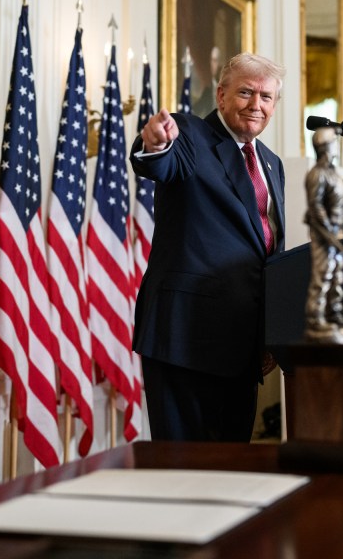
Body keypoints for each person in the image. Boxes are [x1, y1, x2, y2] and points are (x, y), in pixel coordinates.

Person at [130, 52, 287, 442]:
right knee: (184, 472)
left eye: (266, 97)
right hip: (186, 336)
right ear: (220, 95)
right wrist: (154, 143)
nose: (256, 105)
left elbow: (268, 252)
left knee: (232, 468)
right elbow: (161, 161)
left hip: (242, 346)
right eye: (246, 93)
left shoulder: (271, 163)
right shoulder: (191, 134)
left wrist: (271, 333)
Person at [303, 127, 343, 342]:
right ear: (325, 147)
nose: (336, 146)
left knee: (337, 276)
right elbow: (315, 205)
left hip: (335, 232)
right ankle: (315, 319)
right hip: (322, 233)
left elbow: (338, 205)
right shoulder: (316, 174)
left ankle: (333, 314)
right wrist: (326, 229)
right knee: (322, 276)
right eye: (334, 142)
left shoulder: (334, 173)